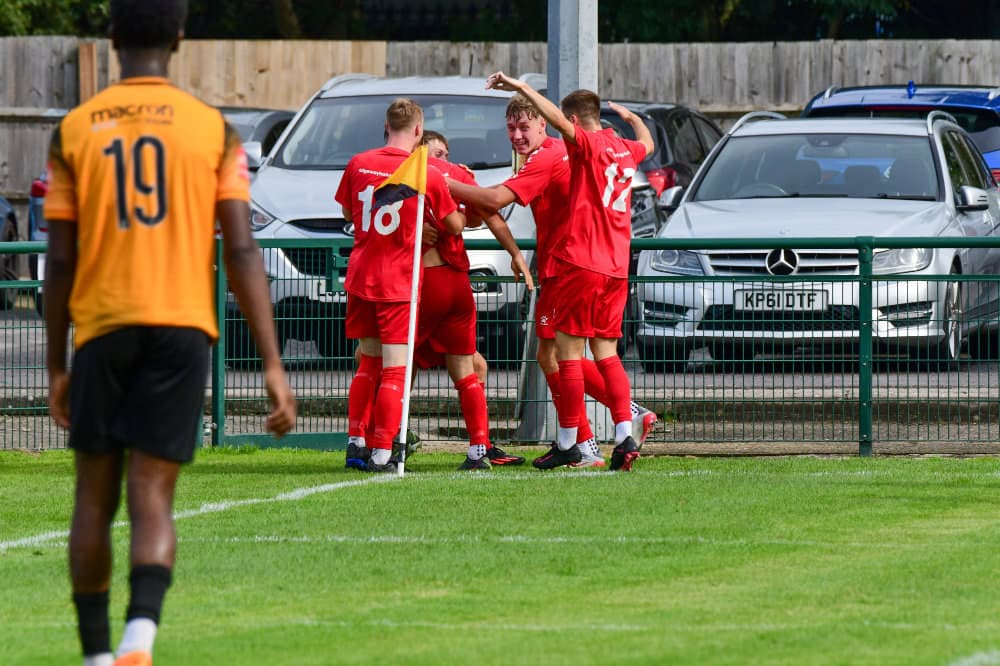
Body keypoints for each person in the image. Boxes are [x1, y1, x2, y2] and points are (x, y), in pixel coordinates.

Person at [43, 2, 298, 665]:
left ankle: (97, 655)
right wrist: (272, 362)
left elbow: (60, 262)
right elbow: (241, 250)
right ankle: (140, 638)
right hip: (182, 326)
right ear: (180, 37)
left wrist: (56, 365)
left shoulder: (75, 130)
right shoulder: (212, 130)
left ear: (112, 37)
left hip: (104, 324)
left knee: (93, 498)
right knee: (152, 496)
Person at [446, 92, 658, 469]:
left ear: (545, 123)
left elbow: (493, 201)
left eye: (524, 126)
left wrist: (441, 179)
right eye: (511, 128)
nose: (517, 135)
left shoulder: (550, 155)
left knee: (562, 356)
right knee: (570, 354)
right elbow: (644, 144)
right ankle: (607, 428)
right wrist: (515, 252)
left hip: (570, 266)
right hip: (591, 264)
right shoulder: (571, 151)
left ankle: (590, 438)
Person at [335, 99, 465, 473]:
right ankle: (381, 452)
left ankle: (356, 441)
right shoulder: (424, 172)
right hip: (397, 280)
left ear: (385, 126)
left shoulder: (358, 163)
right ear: (419, 131)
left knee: (367, 361)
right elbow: (454, 224)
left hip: (362, 274)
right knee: (395, 368)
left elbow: (348, 211)